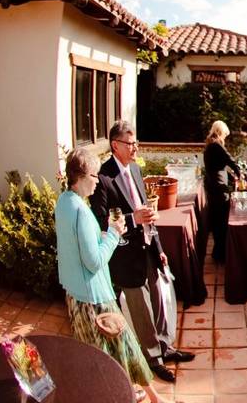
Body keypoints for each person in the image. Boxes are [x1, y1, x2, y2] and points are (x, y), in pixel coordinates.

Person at [57, 148, 167, 403]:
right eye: (95, 176)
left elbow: (73, 249)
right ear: (82, 176)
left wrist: (105, 234)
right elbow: (94, 261)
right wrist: (114, 233)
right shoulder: (81, 212)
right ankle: (147, 397)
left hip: (76, 295)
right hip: (95, 300)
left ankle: (146, 396)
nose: (98, 181)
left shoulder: (64, 202)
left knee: (107, 354)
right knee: (122, 350)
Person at [90, 121, 194, 383]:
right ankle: (153, 359)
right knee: (141, 309)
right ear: (116, 145)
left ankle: (164, 347)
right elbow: (100, 221)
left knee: (158, 301)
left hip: (149, 248)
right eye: (130, 143)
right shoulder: (103, 178)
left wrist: (158, 247)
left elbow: (147, 210)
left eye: (136, 142)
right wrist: (133, 218)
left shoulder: (135, 169)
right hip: (126, 257)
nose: (136, 148)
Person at [203, 120, 241, 262]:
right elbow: (229, 160)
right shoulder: (216, 145)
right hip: (218, 188)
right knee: (221, 220)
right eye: (224, 134)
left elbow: (220, 166)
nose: (225, 137)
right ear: (221, 132)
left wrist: (231, 177)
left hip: (214, 185)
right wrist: (239, 174)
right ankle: (220, 254)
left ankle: (218, 252)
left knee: (219, 220)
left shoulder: (211, 144)